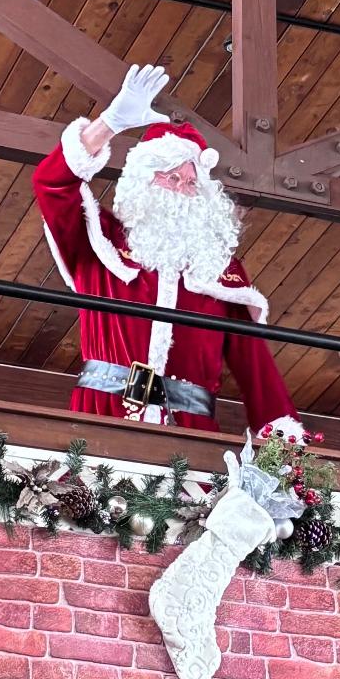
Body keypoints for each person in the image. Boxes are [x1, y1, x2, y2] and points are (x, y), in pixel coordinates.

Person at [33, 64, 303, 436]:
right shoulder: (99, 240)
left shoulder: (219, 270)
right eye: (169, 176)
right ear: (142, 181)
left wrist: (285, 444)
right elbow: (51, 183)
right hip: (100, 420)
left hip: (192, 435)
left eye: (191, 182)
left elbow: (256, 369)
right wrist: (110, 123)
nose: (180, 188)